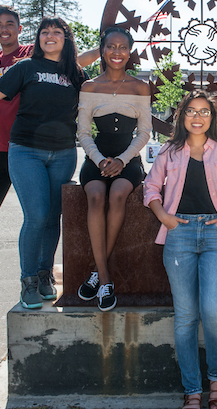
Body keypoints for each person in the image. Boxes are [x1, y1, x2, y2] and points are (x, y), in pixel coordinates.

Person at [0, 5, 98, 278]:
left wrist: (109, 47)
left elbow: (77, 61)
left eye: (10, 24)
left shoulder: (31, 54)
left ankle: (40, 274)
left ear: (20, 30)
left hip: (42, 148)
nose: (4, 29)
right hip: (1, 147)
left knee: (45, 216)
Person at [143, 90, 217, 409]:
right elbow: (151, 187)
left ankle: (216, 381)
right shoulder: (169, 151)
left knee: (214, 312)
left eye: (204, 112)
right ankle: (192, 388)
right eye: (191, 111)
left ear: (212, 118)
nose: (197, 117)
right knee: (186, 316)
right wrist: (165, 217)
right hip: (178, 236)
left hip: (216, 236)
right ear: (182, 116)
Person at [76, 27, 151, 311]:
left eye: (123, 47)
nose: (117, 52)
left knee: (118, 193)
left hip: (128, 160)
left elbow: (144, 133)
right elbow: (82, 132)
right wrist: (99, 160)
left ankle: (97, 274)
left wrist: (122, 160)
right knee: (96, 196)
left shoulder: (140, 87)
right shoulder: (90, 87)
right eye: (111, 46)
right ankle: (105, 278)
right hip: (96, 159)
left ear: (129, 52)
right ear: (103, 51)